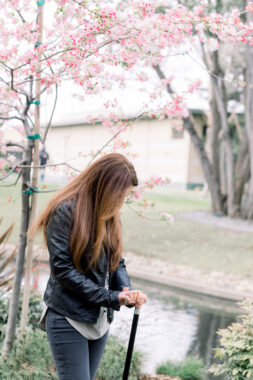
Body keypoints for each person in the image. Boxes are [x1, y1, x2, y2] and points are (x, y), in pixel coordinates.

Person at [28, 152, 147, 380]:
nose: (121, 202)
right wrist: (111, 298)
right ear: (106, 187)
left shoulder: (109, 212)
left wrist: (125, 291)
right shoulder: (64, 211)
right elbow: (63, 270)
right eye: (120, 195)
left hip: (98, 320)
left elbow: (116, 261)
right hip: (68, 317)